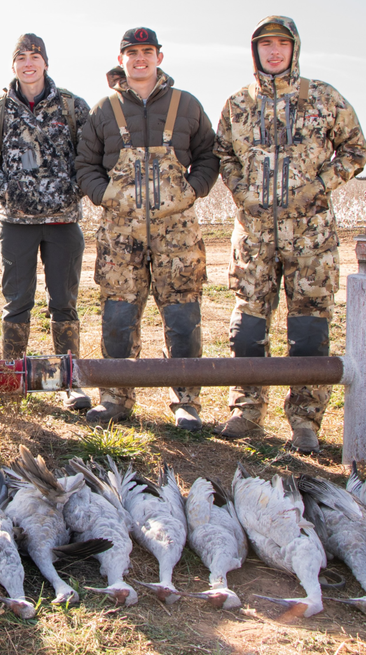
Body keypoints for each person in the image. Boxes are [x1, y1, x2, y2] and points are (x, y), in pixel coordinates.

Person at [213, 16, 366, 452]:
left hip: (310, 238)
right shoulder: (238, 103)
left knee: (309, 332)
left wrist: (319, 186)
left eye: (282, 44)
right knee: (248, 327)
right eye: (266, 45)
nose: (274, 51)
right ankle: (245, 409)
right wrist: (242, 191)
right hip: (255, 237)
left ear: (294, 49)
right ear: (255, 51)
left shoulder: (322, 97)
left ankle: (304, 421)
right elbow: (222, 152)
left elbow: (356, 150)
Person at [76, 27, 219, 430]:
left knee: (182, 314)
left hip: (177, 231)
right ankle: (116, 398)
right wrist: (105, 196)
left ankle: (186, 400)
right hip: (121, 233)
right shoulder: (104, 109)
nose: (140, 59)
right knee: (118, 315)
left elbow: (210, 155)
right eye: (132, 53)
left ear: (160, 57)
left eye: (147, 52)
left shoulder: (185, 104)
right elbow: (84, 164)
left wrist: (193, 190)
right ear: (121, 60)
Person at [0, 34, 92, 411]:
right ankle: (12, 379)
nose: (29, 63)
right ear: (13, 66)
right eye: (21, 57)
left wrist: (72, 190)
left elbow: (90, 156)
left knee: (64, 304)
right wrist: (6, 189)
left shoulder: (73, 106)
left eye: (35, 56)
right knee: (16, 303)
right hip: (16, 223)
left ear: (46, 62)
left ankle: (71, 383)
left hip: (63, 222)